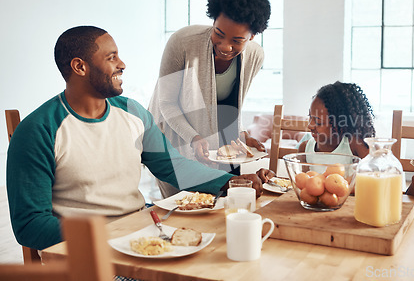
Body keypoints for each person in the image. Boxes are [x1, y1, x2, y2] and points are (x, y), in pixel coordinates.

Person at [6, 26, 272, 251]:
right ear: (80, 67)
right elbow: (31, 226)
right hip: (87, 251)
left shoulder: (132, 112)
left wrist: (230, 182)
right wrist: (114, 231)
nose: (122, 64)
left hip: (139, 233)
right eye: (111, 58)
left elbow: (173, 166)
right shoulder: (38, 130)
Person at [149, 0, 271, 198]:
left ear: (252, 36)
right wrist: (194, 138)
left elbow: (231, 104)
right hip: (174, 138)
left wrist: (242, 135)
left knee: (226, 203)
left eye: (237, 40)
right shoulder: (183, 42)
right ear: (213, 20)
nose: (225, 46)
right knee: (184, 207)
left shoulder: (255, 56)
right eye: (219, 34)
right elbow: (166, 103)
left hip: (221, 147)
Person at [298, 81, 376, 159]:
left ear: (340, 123)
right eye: (310, 117)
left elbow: (373, 167)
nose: (310, 125)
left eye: (318, 122)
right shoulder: (304, 149)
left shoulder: (354, 146)